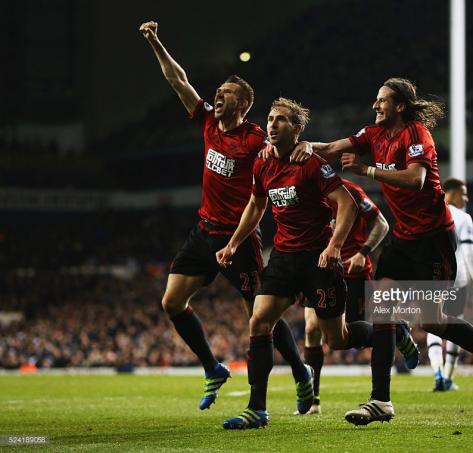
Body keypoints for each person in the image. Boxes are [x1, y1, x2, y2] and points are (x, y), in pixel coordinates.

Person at [303, 77, 473, 425]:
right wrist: (298, 147)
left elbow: (416, 179)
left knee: (432, 321)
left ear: (400, 106)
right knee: (383, 308)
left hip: (433, 241)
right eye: (375, 100)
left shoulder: (417, 134)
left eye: (382, 100)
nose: (375, 105)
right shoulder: (372, 135)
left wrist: (367, 170)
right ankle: (380, 400)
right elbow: (331, 146)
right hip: (403, 239)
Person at [139, 21, 312, 412]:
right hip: (204, 231)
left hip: (240, 238)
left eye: (227, 93)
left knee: (260, 316)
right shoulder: (206, 122)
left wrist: (305, 149)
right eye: (217, 92)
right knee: (171, 302)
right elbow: (178, 80)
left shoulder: (254, 139)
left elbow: (283, 153)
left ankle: (301, 371)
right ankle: (212, 368)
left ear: (243, 104)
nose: (217, 96)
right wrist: (155, 42)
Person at [216, 98, 416, 429]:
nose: (272, 124)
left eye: (280, 119)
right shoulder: (262, 163)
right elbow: (255, 205)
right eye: (269, 118)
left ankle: (394, 330)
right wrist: (233, 243)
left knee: (336, 339)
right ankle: (257, 409)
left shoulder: (311, 163)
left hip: (317, 262)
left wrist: (335, 246)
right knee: (258, 322)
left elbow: (347, 204)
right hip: (282, 258)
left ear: (296, 129)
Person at [297, 178, 389, 415]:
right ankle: (313, 400)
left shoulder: (351, 192)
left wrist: (363, 253)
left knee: (340, 338)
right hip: (318, 269)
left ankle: (396, 331)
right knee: (310, 328)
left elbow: (381, 224)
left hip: (352, 271)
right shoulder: (303, 191)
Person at [426, 178, 473, 392]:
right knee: (455, 324)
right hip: (457, 277)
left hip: (431, 277)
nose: (466, 198)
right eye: (464, 193)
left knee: (432, 323)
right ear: (452, 193)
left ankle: (437, 373)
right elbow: (469, 252)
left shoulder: (430, 213)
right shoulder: (463, 218)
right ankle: (448, 377)